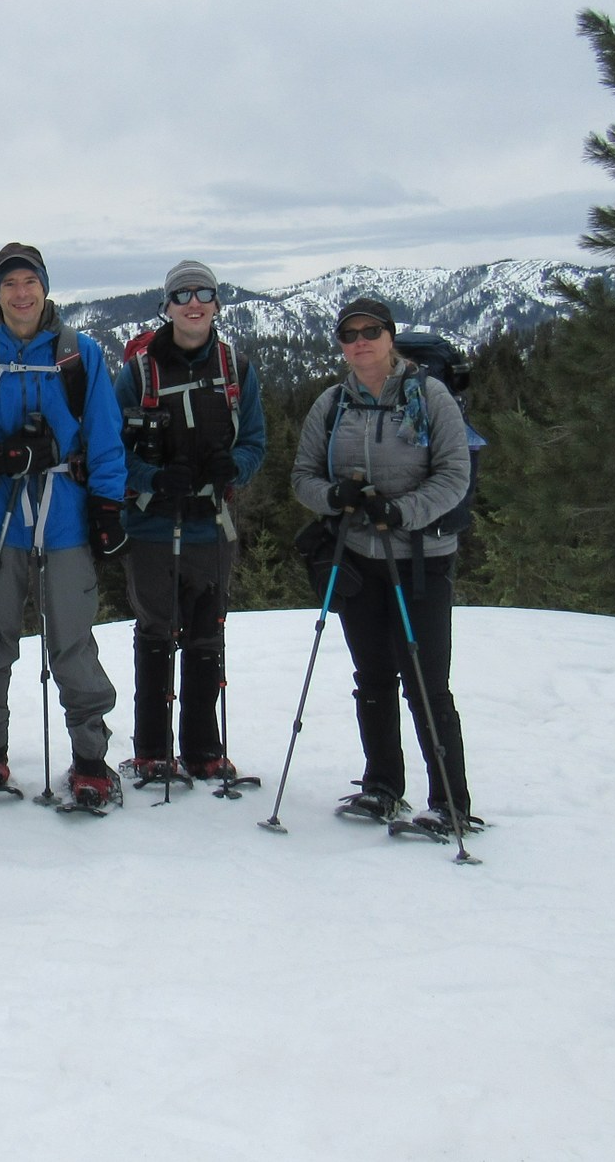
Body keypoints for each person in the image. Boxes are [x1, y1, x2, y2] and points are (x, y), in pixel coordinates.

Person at [0, 244, 130, 809]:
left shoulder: (80, 354)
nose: (21, 293)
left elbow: (104, 433)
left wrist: (108, 506)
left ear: (45, 287)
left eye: (30, 282)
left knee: (71, 640)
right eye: (9, 284)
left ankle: (91, 761)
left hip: (65, 515)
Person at [290, 296, 480, 835]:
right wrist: (335, 497)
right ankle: (382, 786)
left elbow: (453, 474)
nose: (360, 342)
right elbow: (303, 476)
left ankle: (450, 802)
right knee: (372, 675)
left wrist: (400, 512)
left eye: (371, 331)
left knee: (425, 683)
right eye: (349, 335)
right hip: (357, 558)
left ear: (390, 336)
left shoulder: (430, 396)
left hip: (421, 559)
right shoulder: (332, 404)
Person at [113, 260, 267, 785]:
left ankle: (203, 749)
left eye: (203, 293)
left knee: (207, 637)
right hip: (155, 525)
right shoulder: (137, 373)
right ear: (168, 306)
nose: (193, 302)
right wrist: (154, 478)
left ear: (217, 304)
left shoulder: (236, 368)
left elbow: (255, 442)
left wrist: (236, 466)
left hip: (211, 524)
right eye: (182, 295)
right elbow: (110, 449)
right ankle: (152, 750)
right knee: (156, 633)